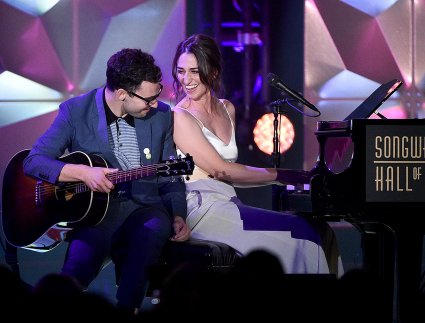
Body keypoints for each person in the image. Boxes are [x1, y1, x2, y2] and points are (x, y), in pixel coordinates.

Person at [23, 48, 190, 313]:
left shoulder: (161, 117)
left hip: (143, 208)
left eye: (157, 95)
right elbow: (34, 161)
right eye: (148, 99)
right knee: (79, 265)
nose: (155, 104)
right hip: (95, 215)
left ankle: (128, 308)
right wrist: (84, 173)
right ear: (123, 93)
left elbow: (170, 176)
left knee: (155, 227)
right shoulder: (76, 112)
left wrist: (179, 215)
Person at [171, 33, 343, 276]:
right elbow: (222, 170)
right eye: (180, 71)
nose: (186, 79)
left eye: (194, 71)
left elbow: (229, 177)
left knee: (322, 233)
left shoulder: (226, 107)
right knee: (303, 238)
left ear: (213, 72)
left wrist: (284, 177)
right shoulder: (180, 116)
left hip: (229, 202)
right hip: (202, 209)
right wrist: (283, 174)